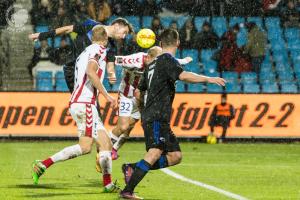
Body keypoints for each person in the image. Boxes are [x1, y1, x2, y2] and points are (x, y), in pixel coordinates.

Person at [119, 28, 226, 199]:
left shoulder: (152, 64)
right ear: (177, 43)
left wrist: (143, 110)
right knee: (155, 152)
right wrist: (208, 79)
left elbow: (138, 92)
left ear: (160, 43)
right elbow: (184, 75)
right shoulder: (167, 60)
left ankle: (132, 168)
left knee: (175, 156)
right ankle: (127, 190)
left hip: (156, 116)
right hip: (157, 116)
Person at [31, 25, 119, 192]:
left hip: (80, 103)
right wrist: (107, 95)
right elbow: (91, 72)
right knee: (103, 144)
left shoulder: (83, 53)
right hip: (85, 104)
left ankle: (43, 164)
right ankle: (107, 184)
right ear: (105, 39)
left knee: (93, 146)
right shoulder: (100, 50)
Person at [103, 46, 193, 162]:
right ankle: (104, 149)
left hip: (140, 96)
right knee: (123, 126)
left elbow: (173, 62)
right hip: (126, 95)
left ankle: (114, 150)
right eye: (155, 61)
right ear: (148, 57)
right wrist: (111, 72)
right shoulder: (135, 60)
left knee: (129, 128)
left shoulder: (158, 62)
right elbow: (112, 58)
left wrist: (184, 60)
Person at [28, 17, 134, 93]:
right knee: (85, 108)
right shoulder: (91, 25)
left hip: (89, 77)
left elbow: (110, 66)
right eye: (124, 32)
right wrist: (42, 35)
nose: (124, 36)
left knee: (89, 110)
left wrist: (112, 75)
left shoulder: (112, 46)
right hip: (72, 71)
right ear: (116, 26)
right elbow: (67, 29)